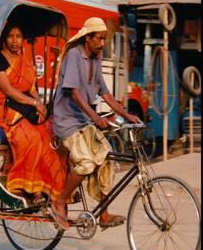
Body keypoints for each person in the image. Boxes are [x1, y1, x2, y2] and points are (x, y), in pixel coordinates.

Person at [51, 17, 140, 230]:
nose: (102, 43)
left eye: (103, 39)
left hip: (84, 121)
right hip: (67, 122)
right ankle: (60, 201)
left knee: (106, 159)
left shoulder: (96, 59)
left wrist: (127, 116)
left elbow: (106, 94)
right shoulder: (74, 55)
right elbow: (73, 92)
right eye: (99, 38)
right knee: (86, 163)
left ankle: (104, 214)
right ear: (87, 38)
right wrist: (95, 117)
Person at [0, 23, 66, 203]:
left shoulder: (25, 60)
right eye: (11, 36)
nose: (15, 41)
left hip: (21, 107)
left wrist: (41, 107)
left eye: (18, 37)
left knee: (46, 136)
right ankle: (26, 187)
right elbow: (8, 90)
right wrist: (34, 103)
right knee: (31, 138)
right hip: (1, 108)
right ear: (5, 39)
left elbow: (32, 88)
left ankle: (43, 187)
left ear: (23, 40)